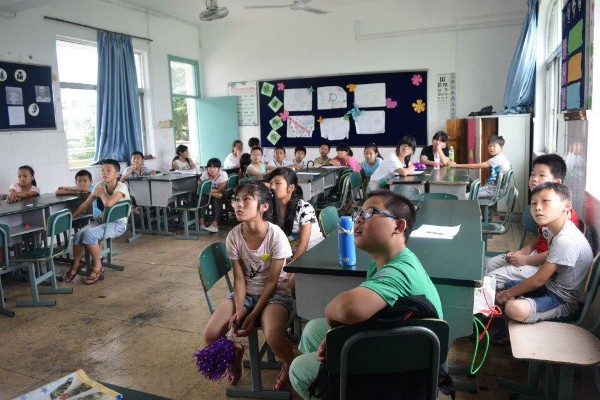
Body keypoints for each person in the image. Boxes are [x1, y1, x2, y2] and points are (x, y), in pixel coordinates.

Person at [289, 189, 443, 399]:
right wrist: (337, 328)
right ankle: (329, 375)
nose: (359, 219)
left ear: (398, 226)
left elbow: (345, 309)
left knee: (298, 369)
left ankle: (331, 384)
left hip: (406, 373)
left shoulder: (398, 272)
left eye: (370, 213)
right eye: (358, 213)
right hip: (396, 340)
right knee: (313, 330)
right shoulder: (388, 260)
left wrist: (336, 322)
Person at [203, 180, 294, 390]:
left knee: (273, 335)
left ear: (264, 207)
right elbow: (239, 278)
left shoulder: (276, 236)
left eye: (246, 200)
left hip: (275, 294)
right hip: (246, 292)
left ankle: (290, 364)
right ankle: (235, 351)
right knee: (210, 335)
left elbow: (273, 281)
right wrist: (240, 308)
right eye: (237, 199)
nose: (239, 205)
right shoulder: (234, 236)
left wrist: (254, 313)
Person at [496, 182, 592, 324]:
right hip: (550, 287)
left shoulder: (566, 239)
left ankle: (511, 308)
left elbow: (538, 280)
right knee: (506, 285)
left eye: (545, 201)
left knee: (514, 308)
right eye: (534, 203)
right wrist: (508, 293)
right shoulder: (554, 230)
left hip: (565, 301)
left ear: (566, 206)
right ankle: (513, 308)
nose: (538, 207)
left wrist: (506, 296)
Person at [485, 154, 580, 288]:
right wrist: (522, 252)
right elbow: (542, 237)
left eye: (542, 175)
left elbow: (556, 252)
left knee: (492, 278)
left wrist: (526, 260)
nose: (534, 179)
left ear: (556, 183)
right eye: (532, 174)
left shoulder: (563, 216)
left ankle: (496, 296)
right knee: (489, 264)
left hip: (547, 268)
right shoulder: (543, 208)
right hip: (534, 256)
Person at [63, 159, 131, 285]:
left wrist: (101, 194)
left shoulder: (121, 187)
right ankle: (76, 264)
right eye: (102, 170)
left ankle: (98, 267)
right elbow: (86, 204)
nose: (104, 173)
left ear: (117, 174)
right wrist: (71, 218)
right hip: (102, 219)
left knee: (89, 235)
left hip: (117, 224)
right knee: (78, 235)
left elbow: (108, 204)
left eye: (109, 170)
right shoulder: (100, 185)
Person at [267, 167, 324, 263]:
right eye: (271, 183)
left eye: (278, 183)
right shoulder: (270, 207)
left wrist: (290, 268)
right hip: (289, 253)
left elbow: (303, 244)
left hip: (312, 252)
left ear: (291, 188)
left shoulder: (304, 208)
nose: (272, 187)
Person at [199, 157, 228, 233]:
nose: (212, 169)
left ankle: (214, 225)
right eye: (210, 167)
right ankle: (202, 224)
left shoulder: (223, 174)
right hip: (212, 194)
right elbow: (200, 187)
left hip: (222, 193)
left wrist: (207, 191)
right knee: (202, 198)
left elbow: (219, 190)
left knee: (216, 199)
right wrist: (211, 193)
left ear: (219, 168)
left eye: (215, 167)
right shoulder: (205, 174)